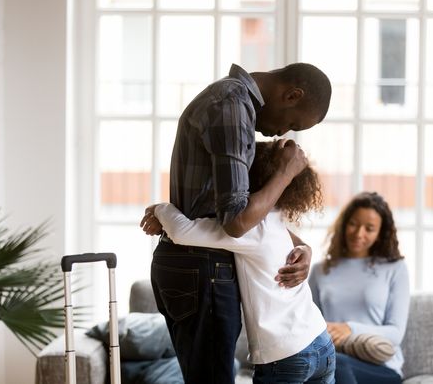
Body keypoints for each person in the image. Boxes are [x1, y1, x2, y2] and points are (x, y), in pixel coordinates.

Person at [141, 63, 332, 384]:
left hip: (198, 260)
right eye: (293, 122)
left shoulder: (233, 104)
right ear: (292, 95)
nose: (282, 133)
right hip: (200, 266)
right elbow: (238, 221)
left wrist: (303, 245)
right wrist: (287, 172)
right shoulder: (230, 106)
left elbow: (259, 226)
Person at [308, 192, 410, 384]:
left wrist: (350, 328)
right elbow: (309, 323)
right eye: (353, 224)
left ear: (380, 234)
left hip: (381, 368)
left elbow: (396, 333)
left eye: (369, 228)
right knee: (325, 364)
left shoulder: (395, 268)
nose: (358, 233)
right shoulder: (320, 270)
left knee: (336, 364)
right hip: (333, 358)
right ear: (344, 224)